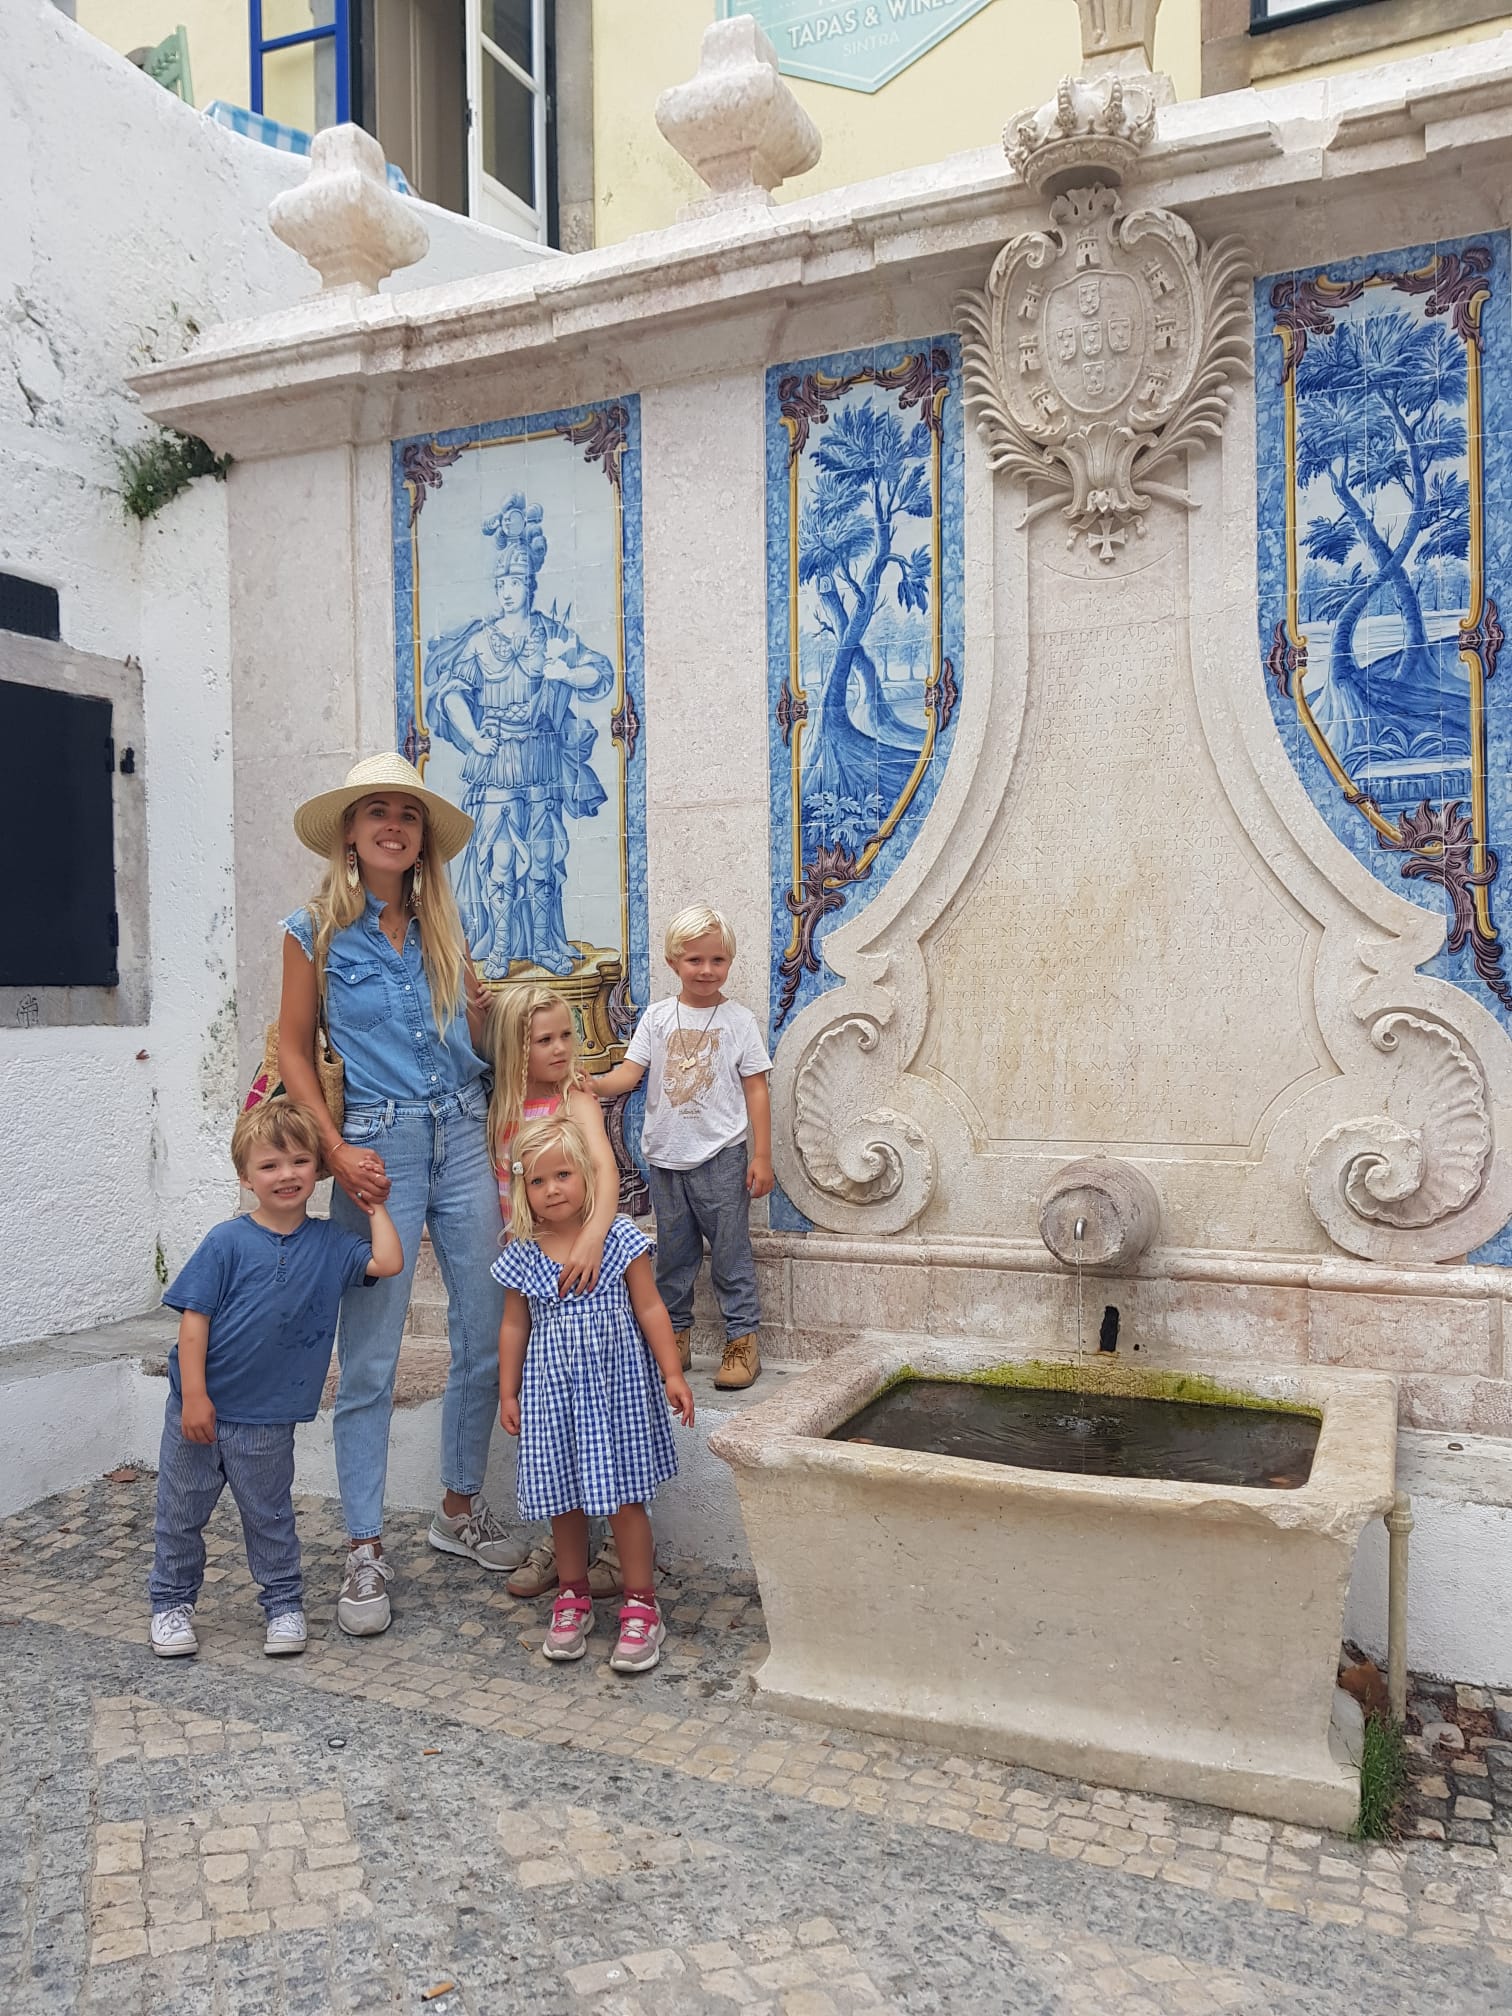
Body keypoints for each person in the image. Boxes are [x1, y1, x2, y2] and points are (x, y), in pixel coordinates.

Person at [279, 753, 575, 1638]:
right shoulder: (312, 934)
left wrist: (491, 1019)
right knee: (369, 1356)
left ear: (420, 840)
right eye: (376, 813)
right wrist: (334, 1150)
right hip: (379, 1149)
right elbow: (296, 1049)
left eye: (406, 816)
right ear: (350, 833)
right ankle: (364, 1545)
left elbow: (478, 1046)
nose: (392, 828)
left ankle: (456, 1508)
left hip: (463, 1136)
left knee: (487, 1335)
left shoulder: (447, 926)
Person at [148, 1099, 402, 1659]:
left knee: (270, 1518)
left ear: (319, 1169)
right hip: (201, 1410)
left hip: (268, 1418)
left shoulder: (332, 1244)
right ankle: (170, 1604)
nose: (286, 1175)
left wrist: (374, 1206)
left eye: (298, 1162)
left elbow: (387, 1263)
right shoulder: (226, 1242)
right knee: (180, 1515)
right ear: (246, 1177)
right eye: (269, 1165)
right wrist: (193, 1396)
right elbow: (194, 1321)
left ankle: (284, 1606)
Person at [494, 1116, 694, 1673]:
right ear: (521, 1192)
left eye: (562, 1175)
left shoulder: (619, 1240)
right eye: (537, 1181)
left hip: (618, 1393)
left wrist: (672, 1373)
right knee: (565, 1500)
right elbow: (514, 1327)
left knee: (628, 1498)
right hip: (553, 1398)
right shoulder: (523, 1252)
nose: (552, 1189)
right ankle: (573, 1595)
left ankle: (640, 1604)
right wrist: (508, 1392)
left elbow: (651, 1308)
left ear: (586, 1175)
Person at [425, 492, 615, 979]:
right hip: (496, 764)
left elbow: (599, 674)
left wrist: (564, 673)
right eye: (501, 582)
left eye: (515, 581)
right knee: (500, 861)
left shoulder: (551, 634)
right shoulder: (480, 639)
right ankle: (502, 948)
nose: (507, 589)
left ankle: (547, 946)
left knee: (544, 861)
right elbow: (447, 693)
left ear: (530, 584)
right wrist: (473, 740)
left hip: (543, 762)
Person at [482, 982, 627, 1604]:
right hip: (532, 1276)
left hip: (585, 1269)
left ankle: (623, 1545)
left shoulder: (577, 1100)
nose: (562, 1048)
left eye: (567, 1034)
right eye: (545, 1039)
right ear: (516, 1050)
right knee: (550, 1421)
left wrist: (593, 1238)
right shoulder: (500, 1106)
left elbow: (606, 1169)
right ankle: (559, 1541)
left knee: (604, 1404)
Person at [594, 905, 773, 1390]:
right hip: (667, 1158)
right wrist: (589, 1085)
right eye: (695, 960)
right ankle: (674, 1336)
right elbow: (629, 1076)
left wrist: (761, 1155)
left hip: (722, 1154)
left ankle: (742, 1339)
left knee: (731, 1251)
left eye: (717, 960)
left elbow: (757, 1088)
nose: (707, 970)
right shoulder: (657, 1018)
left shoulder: (737, 1021)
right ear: (674, 962)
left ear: (730, 962)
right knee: (673, 1254)